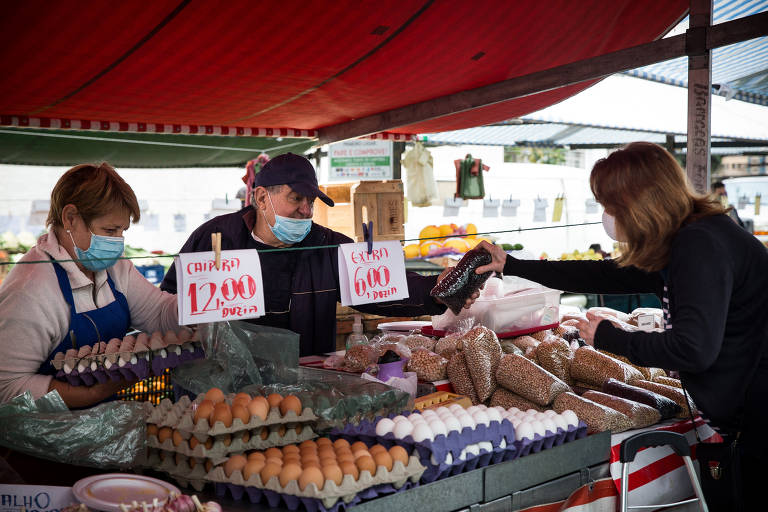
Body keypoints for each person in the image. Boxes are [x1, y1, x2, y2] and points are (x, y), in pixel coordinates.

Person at [476, 142, 767, 509]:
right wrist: (513, 265)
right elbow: (605, 274)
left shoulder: (699, 246)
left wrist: (610, 336)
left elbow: (693, 348)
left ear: (639, 203)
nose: (607, 215)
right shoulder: (689, 238)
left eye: (610, 205)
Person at [161, 153, 471, 356]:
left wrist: (439, 290)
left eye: (311, 201)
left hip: (304, 383)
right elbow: (168, 305)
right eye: (296, 198)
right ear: (261, 197)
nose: (306, 211)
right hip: (225, 391)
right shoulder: (215, 237)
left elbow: (383, 288)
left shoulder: (326, 246)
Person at [0, 163, 179, 407]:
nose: (118, 242)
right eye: (109, 230)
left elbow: (159, 313)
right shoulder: (32, 290)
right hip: (48, 437)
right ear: (71, 218)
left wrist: (204, 303)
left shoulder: (115, 269)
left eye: (122, 231)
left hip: (105, 421)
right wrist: (90, 395)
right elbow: (8, 386)